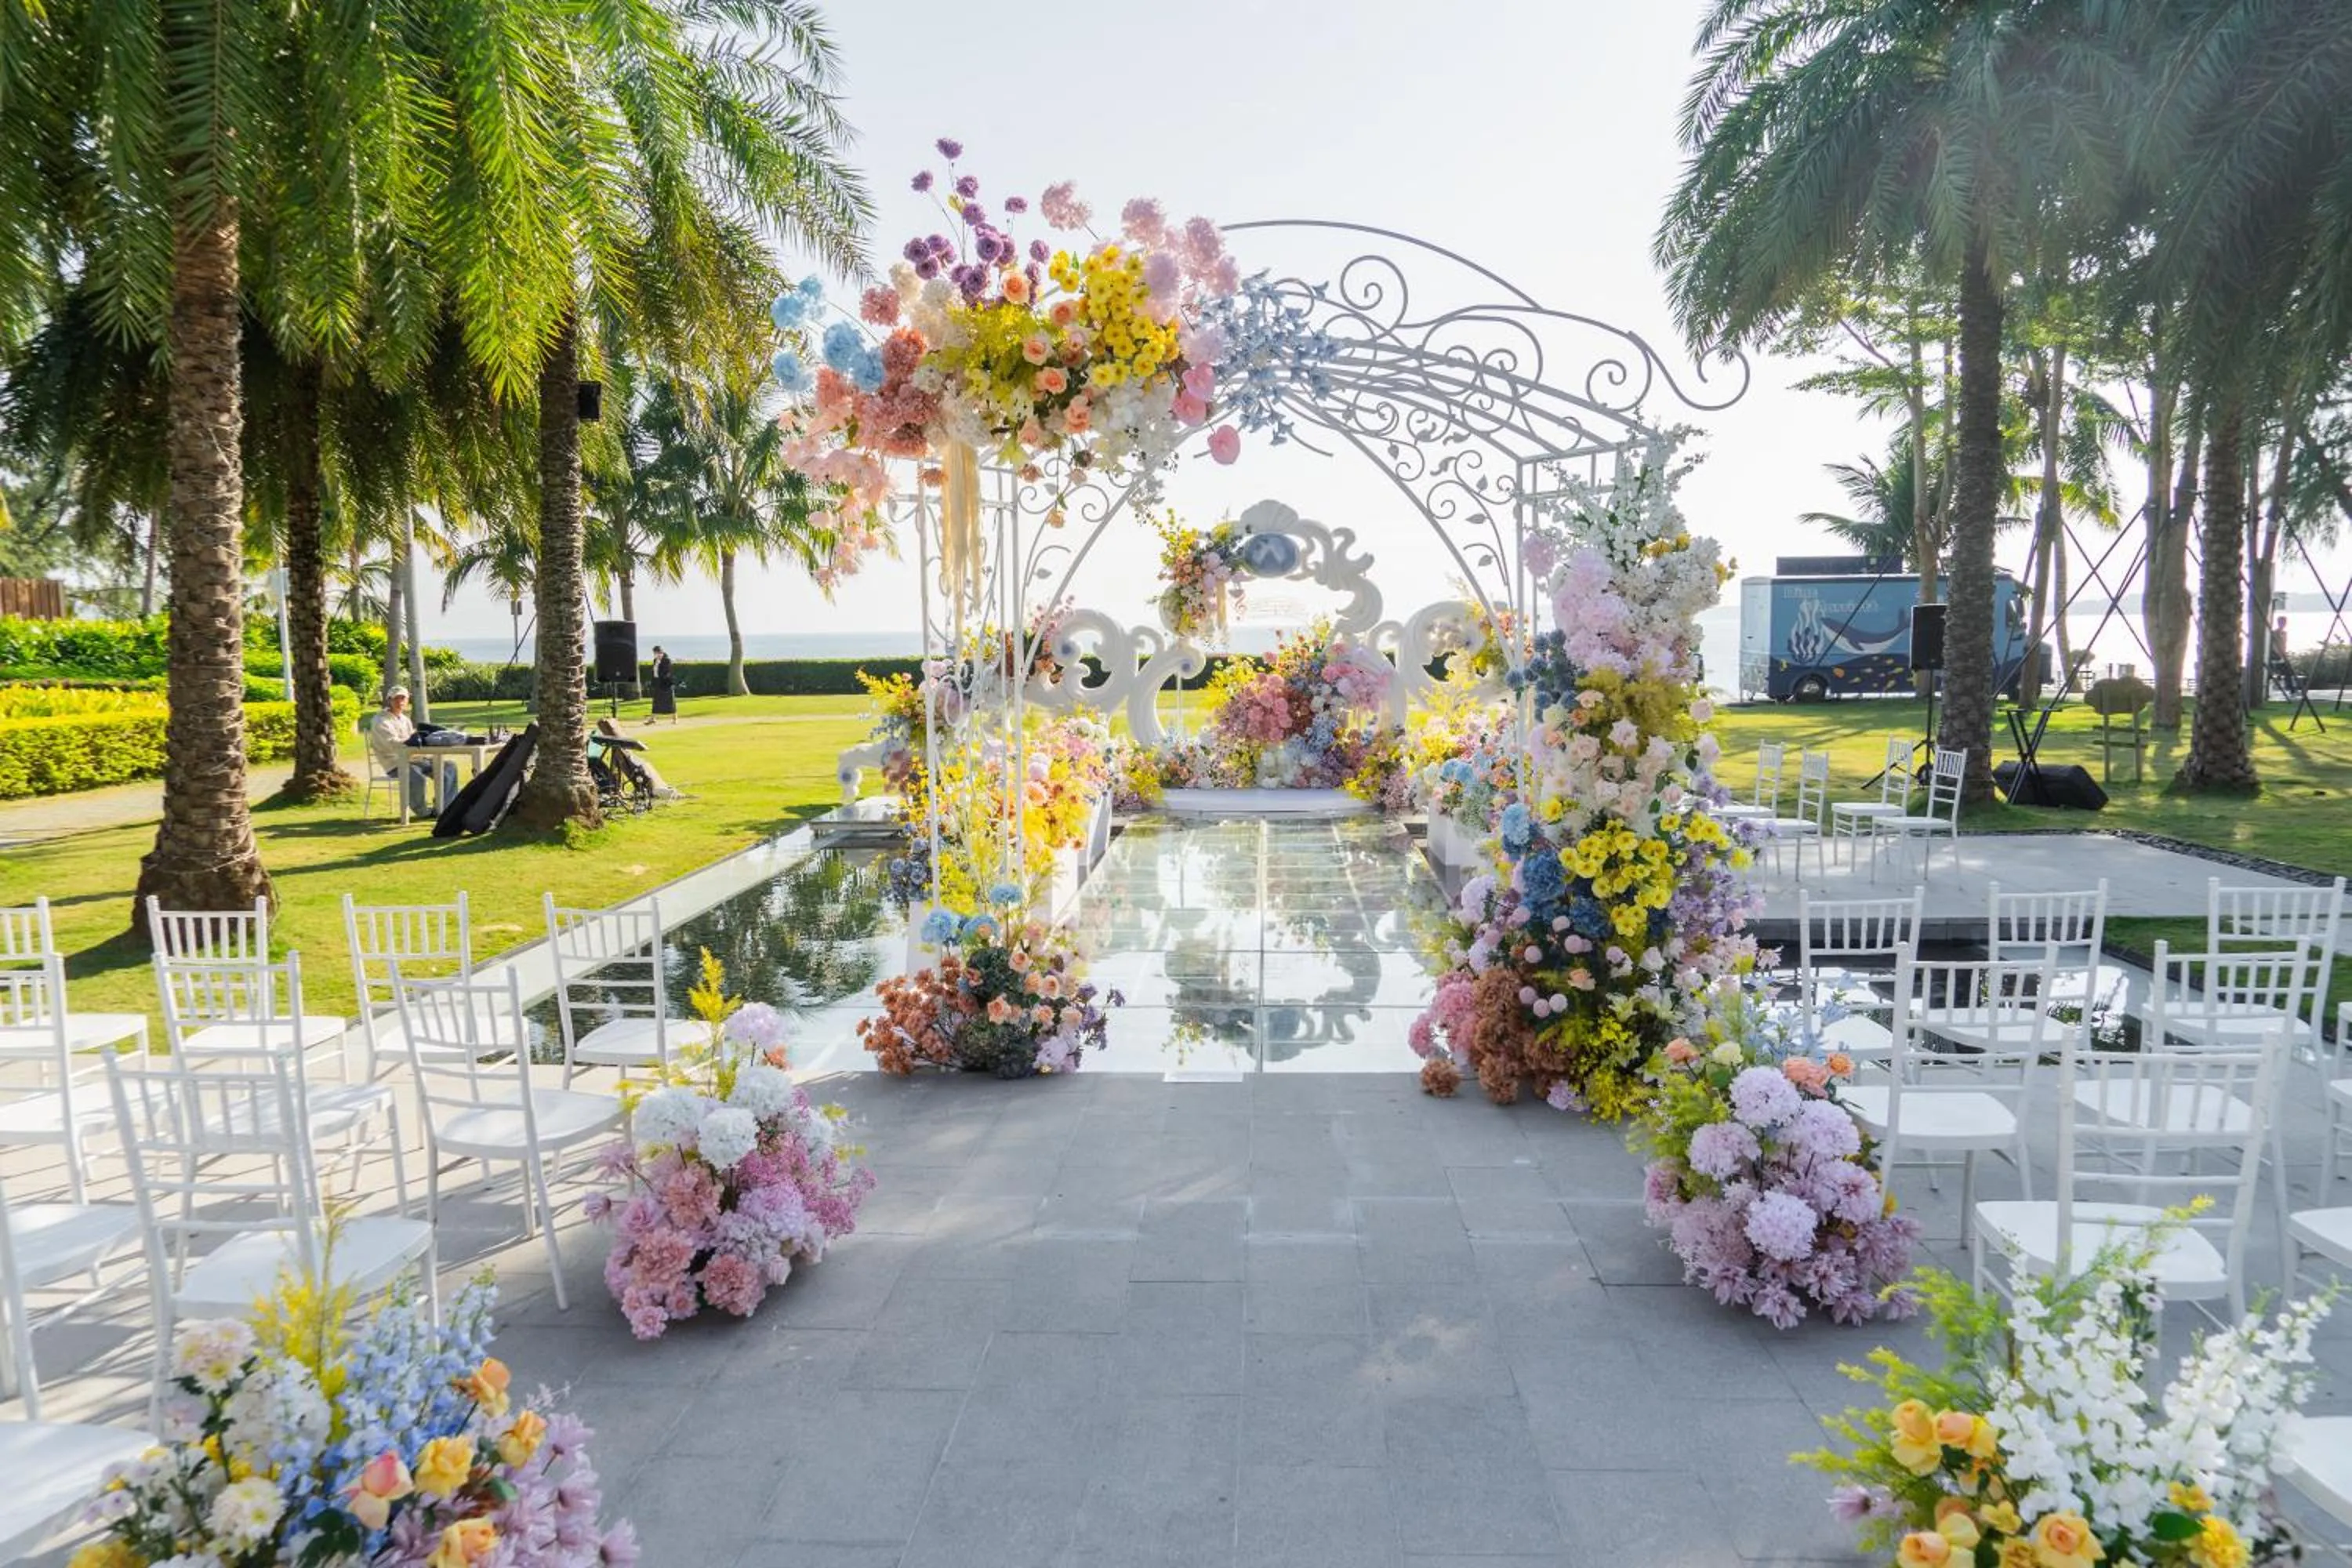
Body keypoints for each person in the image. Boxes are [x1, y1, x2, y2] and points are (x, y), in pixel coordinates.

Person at [368, 687, 459, 815]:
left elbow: (413, 739)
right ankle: (423, 812)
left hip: (416, 759)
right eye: (396, 698)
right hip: (395, 763)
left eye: (403, 698)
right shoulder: (380, 720)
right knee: (416, 775)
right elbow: (391, 744)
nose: (400, 701)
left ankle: (444, 808)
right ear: (389, 700)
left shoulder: (405, 719)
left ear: (407, 700)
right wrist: (408, 741)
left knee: (449, 766)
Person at [649, 645, 678, 721]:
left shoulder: (667, 660)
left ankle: (675, 718)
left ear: (662, 652)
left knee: (670, 701)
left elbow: (667, 672)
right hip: (657, 683)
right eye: (655, 653)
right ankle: (653, 718)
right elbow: (654, 672)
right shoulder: (655, 660)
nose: (657, 655)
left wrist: (660, 671)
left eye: (659, 653)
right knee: (656, 701)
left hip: (666, 684)